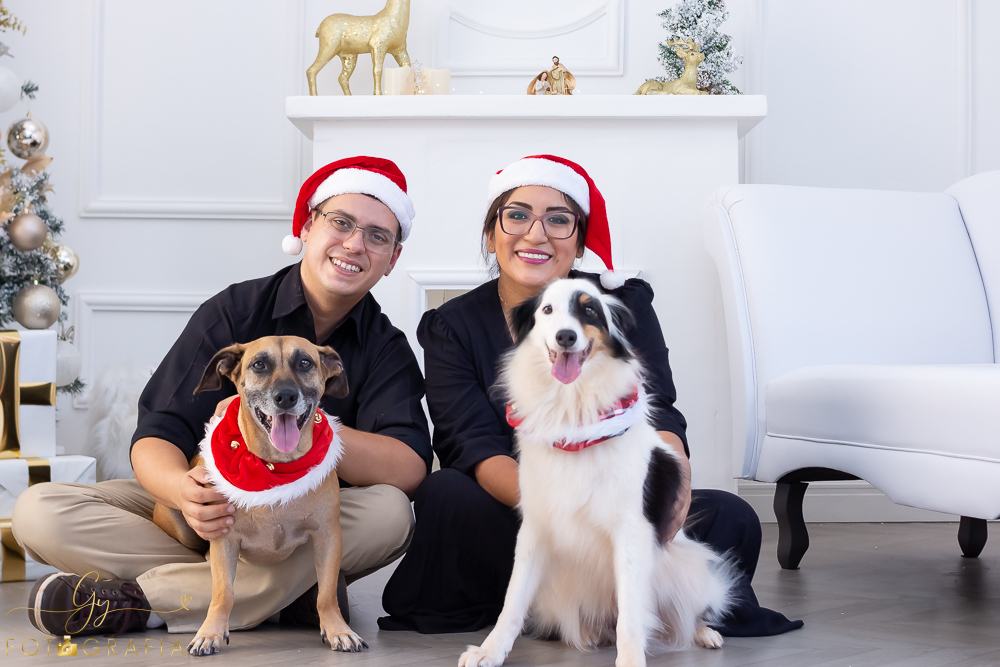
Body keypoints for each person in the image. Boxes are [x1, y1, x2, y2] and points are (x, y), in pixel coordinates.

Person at [379, 155, 803, 637]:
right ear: (492, 235)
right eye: (516, 215)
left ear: (579, 242)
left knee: (730, 516)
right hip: (523, 510)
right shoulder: (452, 325)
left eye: (558, 220)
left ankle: (613, 604)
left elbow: (658, 411)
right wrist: (564, 518)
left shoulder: (621, 305)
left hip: (617, 505)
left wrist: (676, 483)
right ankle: (550, 603)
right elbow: (469, 442)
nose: (536, 234)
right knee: (447, 493)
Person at [13, 156, 432, 637]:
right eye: (341, 222)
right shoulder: (234, 311)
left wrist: (308, 425)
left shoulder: (386, 347)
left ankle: (145, 603)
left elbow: (407, 470)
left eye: (377, 236)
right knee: (39, 513)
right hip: (212, 511)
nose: (355, 244)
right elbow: (158, 431)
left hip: (303, 522)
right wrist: (183, 493)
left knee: (390, 515)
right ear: (307, 226)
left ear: (392, 258)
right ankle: (284, 594)